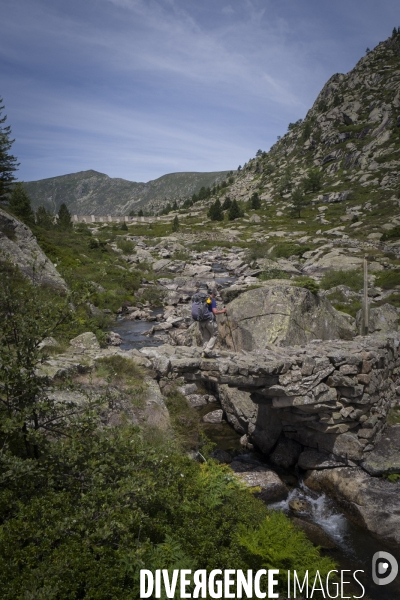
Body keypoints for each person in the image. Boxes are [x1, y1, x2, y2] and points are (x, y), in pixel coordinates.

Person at [199, 289, 226, 358]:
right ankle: (207, 350)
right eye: (215, 294)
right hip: (209, 321)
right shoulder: (212, 300)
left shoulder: (203, 299)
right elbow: (215, 312)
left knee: (206, 336)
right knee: (215, 334)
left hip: (201, 321)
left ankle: (203, 352)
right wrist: (223, 311)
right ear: (214, 294)